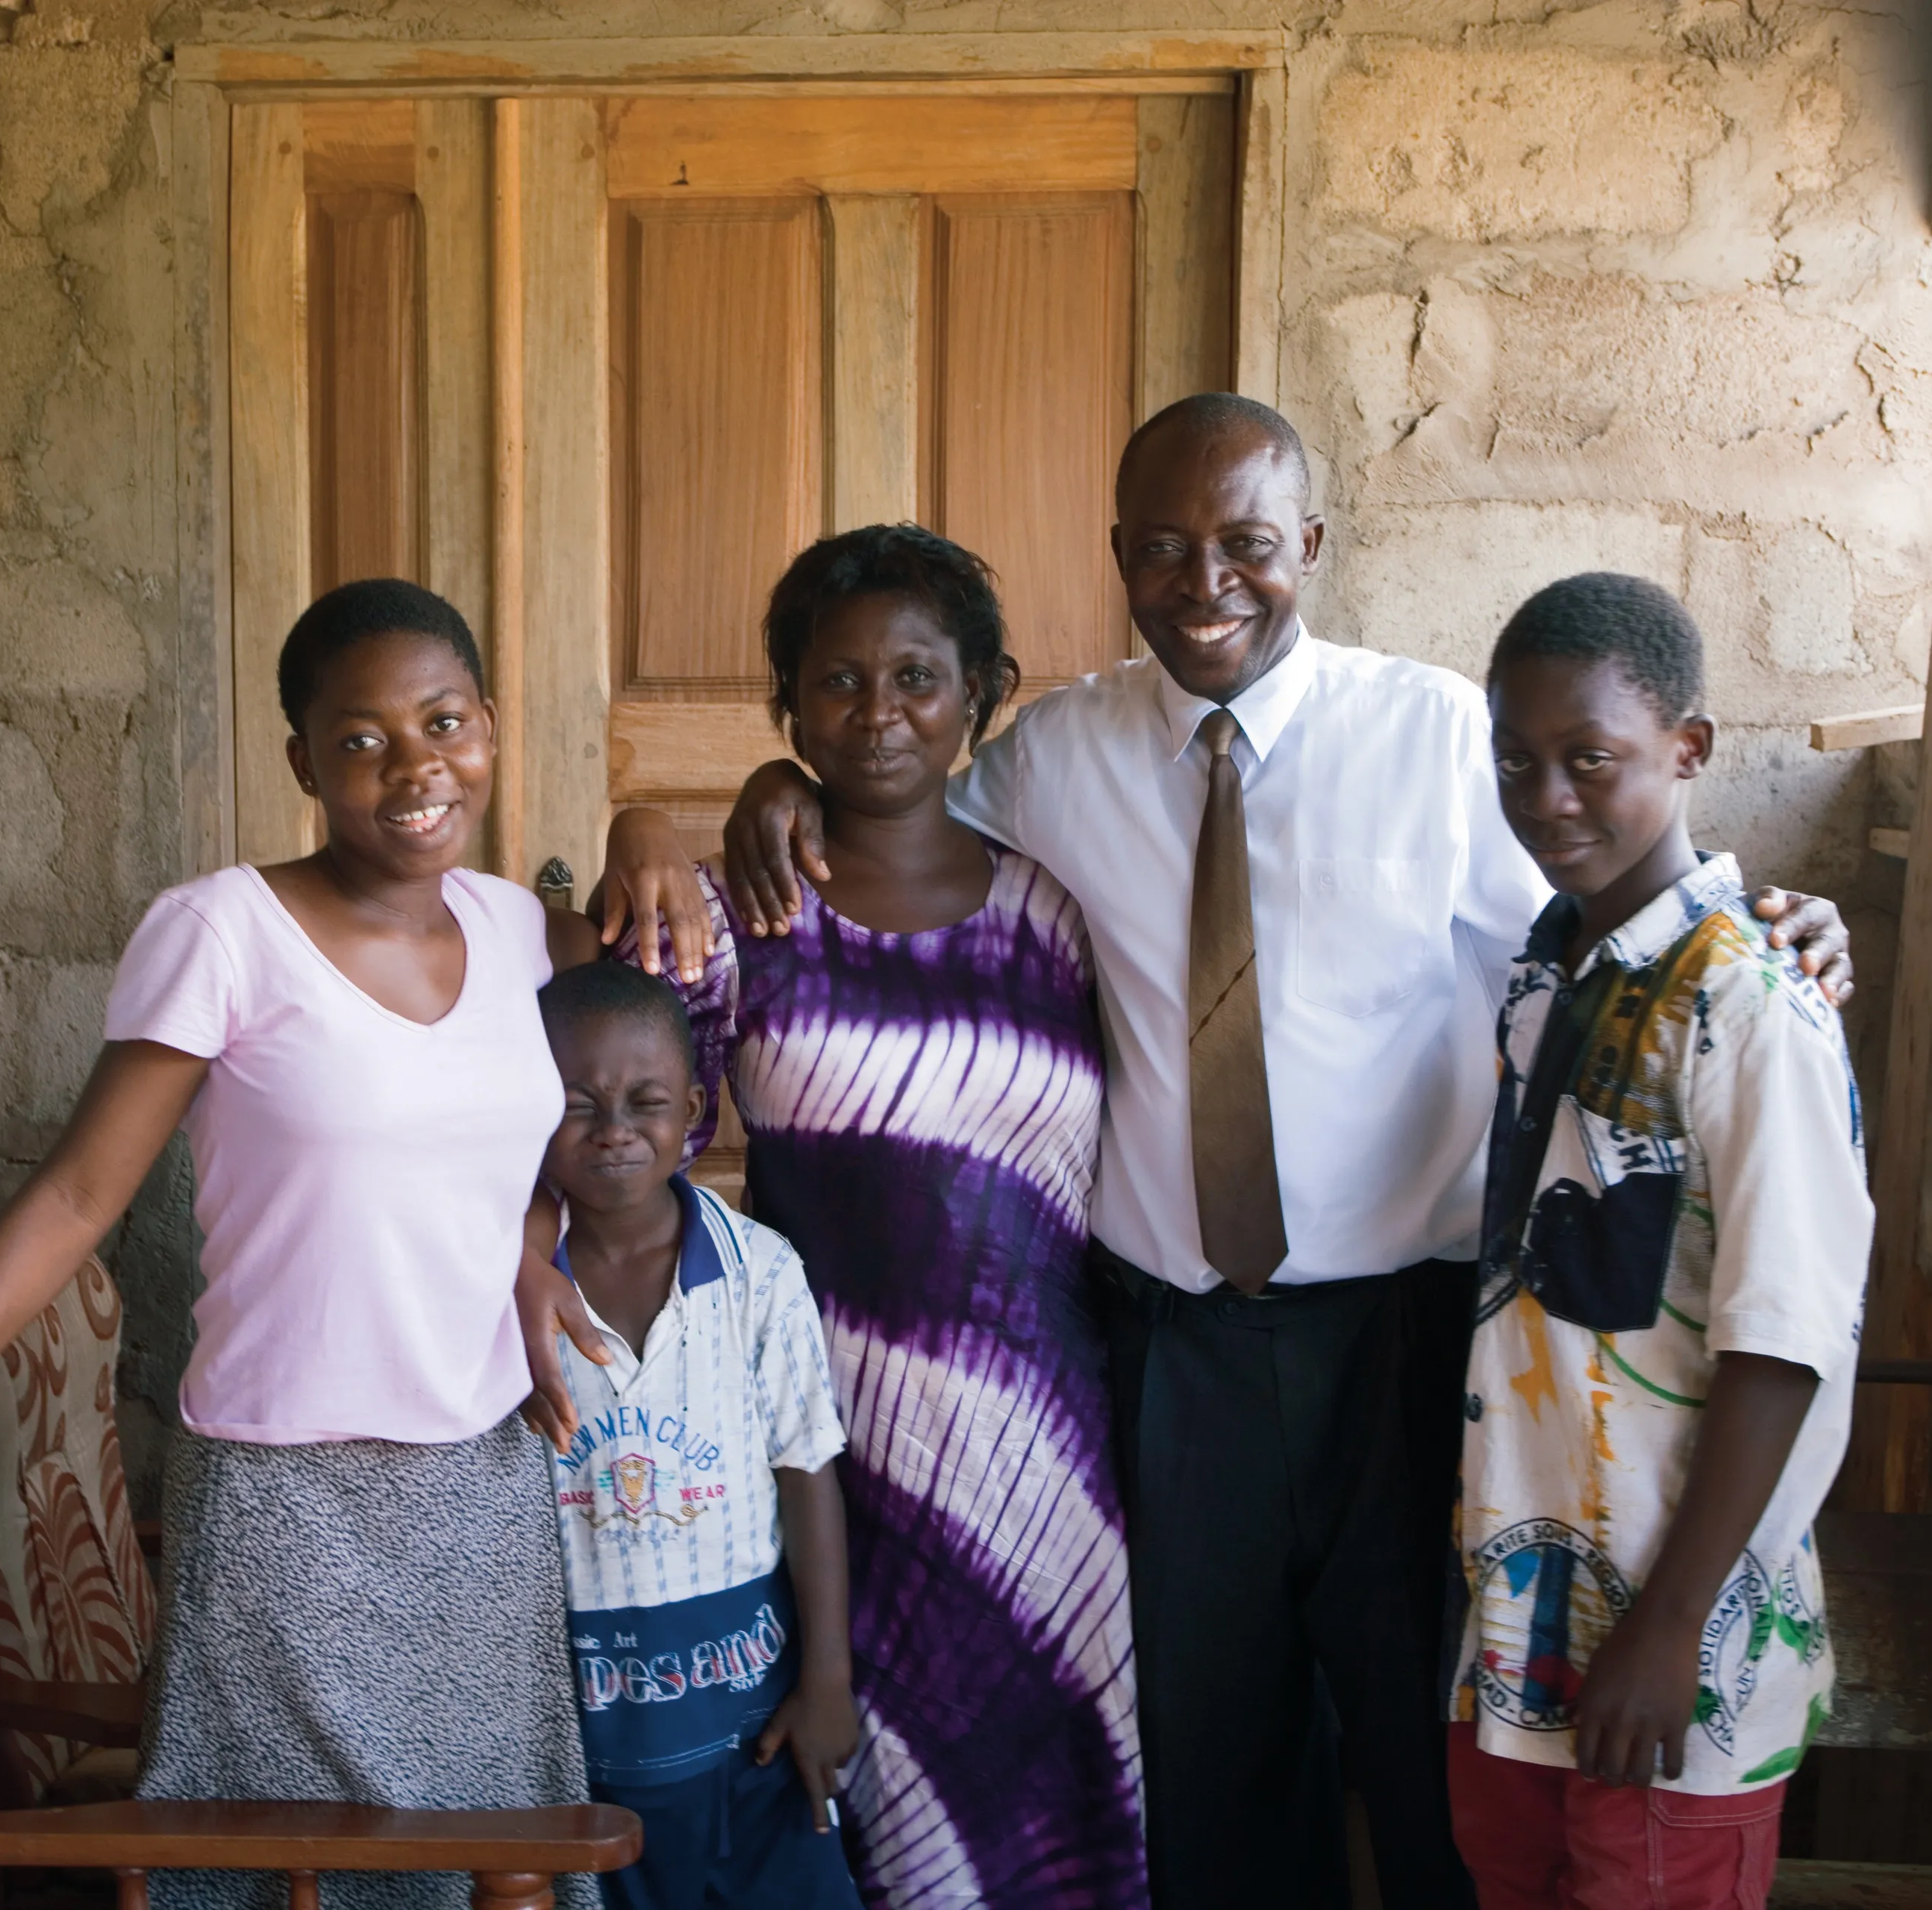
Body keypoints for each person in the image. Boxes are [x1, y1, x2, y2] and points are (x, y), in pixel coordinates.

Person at [590, 395, 1856, 1907]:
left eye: (1250, 545)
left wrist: (1778, 923)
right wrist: (734, 799)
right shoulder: (1053, 753)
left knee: (1430, 1757)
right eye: (1168, 549)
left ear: (1306, 545)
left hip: (1410, 1342)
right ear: (1119, 556)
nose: (1211, 583)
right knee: (1216, 1772)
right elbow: (880, 801)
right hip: (1166, 1349)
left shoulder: (1449, 736)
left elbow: (1619, 892)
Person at [0, 578, 606, 1910]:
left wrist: (532, 1250)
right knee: (279, 1875)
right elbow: (77, 1199)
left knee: (483, 1873)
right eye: (361, 740)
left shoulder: (523, 932)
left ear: (489, 727)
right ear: (303, 761)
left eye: (446, 722)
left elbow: (547, 1146)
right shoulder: (223, 932)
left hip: (481, 1494)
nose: (416, 767)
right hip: (283, 1503)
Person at [598, 525, 1144, 1910]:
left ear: (982, 696)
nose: (880, 713)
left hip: (1045, 1463)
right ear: (788, 708)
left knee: (1049, 1815)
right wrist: (639, 828)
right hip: (826, 1457)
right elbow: (592, 1087)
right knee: (858, 1810)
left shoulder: (1057, 919)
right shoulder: (740, 922)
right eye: (836, 683)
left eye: (917, 677)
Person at [1450, 573, 1867, 1907]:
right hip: (1522, 1624)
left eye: (1593, 761)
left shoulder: (1752, 1003)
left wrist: (1670, 1627)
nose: (1548, 798)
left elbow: (1785, 1343)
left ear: (1689, 750)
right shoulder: (1549, 965)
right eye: (1518, 761)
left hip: (1674, 1633)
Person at [534, 959, 863, 1910]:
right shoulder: (510, 1295)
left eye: (645, 1101)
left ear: (695, 1106)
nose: (614, 1132)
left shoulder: (761, 1272)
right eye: (577, 1105)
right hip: (586, 1760)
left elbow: (807, 1474)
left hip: (755, 1741)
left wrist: (829, 1678)